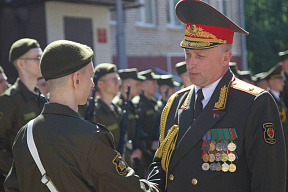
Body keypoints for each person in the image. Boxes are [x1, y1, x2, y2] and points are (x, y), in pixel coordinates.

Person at [147, 1, 286, 191]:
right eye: (188, 54)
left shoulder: (253, 102)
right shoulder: (175, 103)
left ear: (225, 58)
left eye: (200, 56)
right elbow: (161, 168)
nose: (191, 64)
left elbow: (269, 179)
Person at [4, 40, 159, 192]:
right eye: (90, 76)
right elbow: (128, 188)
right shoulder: (91, 137)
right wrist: (158, 179)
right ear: (76, 79)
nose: (92, 84)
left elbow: (12, 187)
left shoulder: (25, 134)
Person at [0, 38, 45, 190]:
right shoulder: (9, 100)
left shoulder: (40, 97)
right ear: (21, 63)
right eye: (37, 58)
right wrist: (16, 171)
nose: (41, 61)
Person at [113, 68, 146, 177]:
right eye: (137, 84)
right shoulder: (118, 105)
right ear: (127, 85)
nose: (140, 87)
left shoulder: (131, 104)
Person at [132, 69, 161, 177]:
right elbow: (136, 131)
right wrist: (149, 144)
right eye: (153, 83)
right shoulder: (137, 104)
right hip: (144, 154)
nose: (156, 86)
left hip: (154, 152)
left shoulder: (153, 103)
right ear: (143, 86)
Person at [92, 63, 123, 151]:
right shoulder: (95, 111)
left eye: (118, 79)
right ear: (101, 84)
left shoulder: (117, 109)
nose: (118, 83)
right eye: (114, 80)